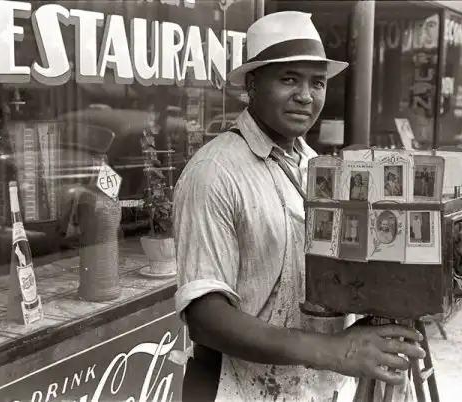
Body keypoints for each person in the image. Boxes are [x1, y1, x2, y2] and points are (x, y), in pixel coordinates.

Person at [173, 11, 425, 402]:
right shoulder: (214, 171)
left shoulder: (314, 166)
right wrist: (334, 351)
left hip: (311, 389)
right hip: (234, 390)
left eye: (317, 82)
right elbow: (205, 318)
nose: (306, 96)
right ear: (252, 85)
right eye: (289, 79)